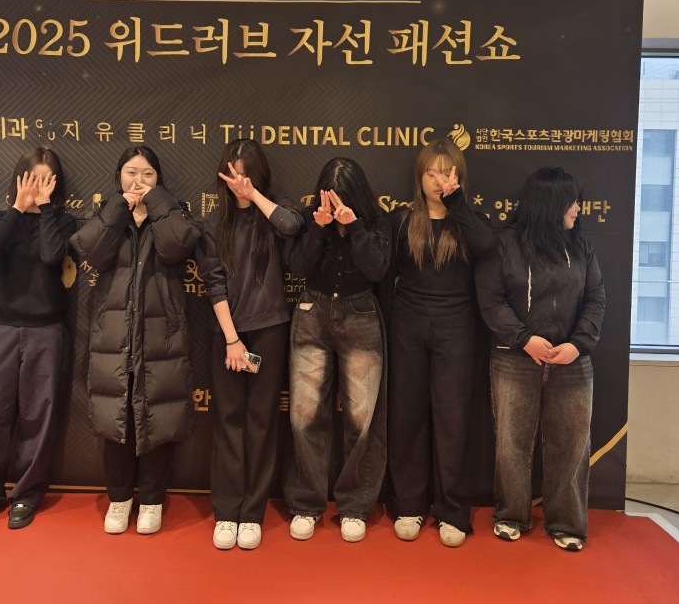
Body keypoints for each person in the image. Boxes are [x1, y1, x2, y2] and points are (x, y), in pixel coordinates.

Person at [476, 166, 605, 552]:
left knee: (571, 445)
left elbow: (595, 299)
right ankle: (511, 515)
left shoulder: (581, 248)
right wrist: (523, 339)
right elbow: (491, 299)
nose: (578, 208)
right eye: (572, 201)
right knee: (512, 442)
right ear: (550, 204)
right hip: (515, 358)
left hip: (571, 361)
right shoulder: (504, 244)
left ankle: (566, 523)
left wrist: (578, 345)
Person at [71, 145, 199, 536]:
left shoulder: (172, 213)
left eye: (147, 174)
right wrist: (117, 209)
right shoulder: (109, 214)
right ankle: (119, 499)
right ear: (119, 177)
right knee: (117, 420)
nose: (138, 181)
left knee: (157, 419)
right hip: (114, 337)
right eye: (131, 172)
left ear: (158, 180)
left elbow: (178, 246)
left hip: (161, 339)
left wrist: (156, 204)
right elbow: (91, 251)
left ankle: (152, 500)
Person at [381, 139, 496, 547]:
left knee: (453, 420)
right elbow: (384, 277)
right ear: (419, 176)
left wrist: (457, 203)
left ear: (459, 176)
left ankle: (452, 510)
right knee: (407, 417)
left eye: (446, 173)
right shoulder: (401, 220)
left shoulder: (471, 221)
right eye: (430, 173)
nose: (437, 180)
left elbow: (488, 246)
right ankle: (409, 504)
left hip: (457, 327)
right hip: (408, 325)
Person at [196, 139, 303, 551]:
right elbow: (213, 283)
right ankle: (227, 511)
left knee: (261, 421)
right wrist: (232, 339)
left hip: (270, 330)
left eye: (246, 174)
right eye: (232, 174)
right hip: (226, 334)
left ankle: (253, 513)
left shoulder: (273, 210)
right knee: (228, 421)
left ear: (258, 176)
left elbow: (292, 227)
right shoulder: (212, 223)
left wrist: (254, 196)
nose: (238, 182)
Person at [0, 146, 76, 530]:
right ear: (18, 179)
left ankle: (27, 496)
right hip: (0, 328)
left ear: (56, 184)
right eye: (32, 178)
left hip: (47, 330)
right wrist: (18, 206)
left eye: (46, 180)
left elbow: (52, 257)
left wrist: (44, 208)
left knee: (37, 416)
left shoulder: (63, 223)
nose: (38, 186)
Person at [284, 157, 390, 543]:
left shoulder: (376, 222)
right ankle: (306, 504)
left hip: (360, 314)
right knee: (304, 413)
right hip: (312, 312)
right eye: (328, 198)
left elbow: (377, 270)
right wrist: (318, 227)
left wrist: (354, 226)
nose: (334, 205)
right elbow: (298, 267)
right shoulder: (308, 219)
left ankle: (355, 506)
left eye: (343, 198)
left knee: (361, 417)